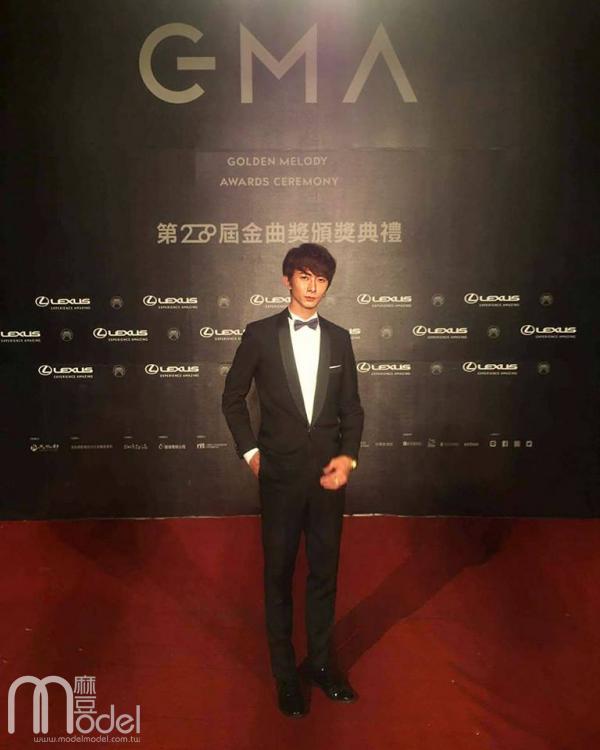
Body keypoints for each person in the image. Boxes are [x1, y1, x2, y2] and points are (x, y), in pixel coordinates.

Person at [221, 243, 364, 718]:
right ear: (288, 280)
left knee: (324, 574)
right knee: (278, 576)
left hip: (327, 481)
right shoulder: (259, 335)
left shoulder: (340, 338)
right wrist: (251, 452)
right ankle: (285, 675)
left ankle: (320, 664)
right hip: (279, 477)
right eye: (304, 276)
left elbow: (352, 410)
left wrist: (347, 458)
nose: (313, 287)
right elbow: (232, 398)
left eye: (321, 279)